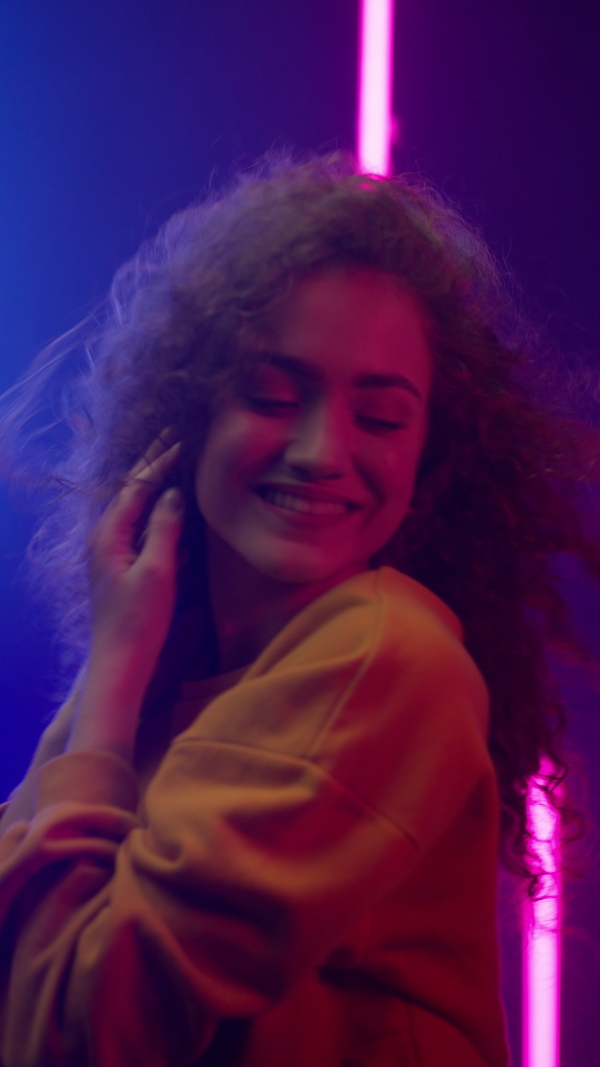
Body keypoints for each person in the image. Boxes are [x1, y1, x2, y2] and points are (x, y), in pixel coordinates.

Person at [0, 154, 597, 1067]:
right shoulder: (171, 664)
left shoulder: (382, 648)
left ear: (429, 459)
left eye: (383, 418)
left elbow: (77, 1035)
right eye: (273, 395)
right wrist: (119, 676)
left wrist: (110, 681)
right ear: (185, 417)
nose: (323, 450)